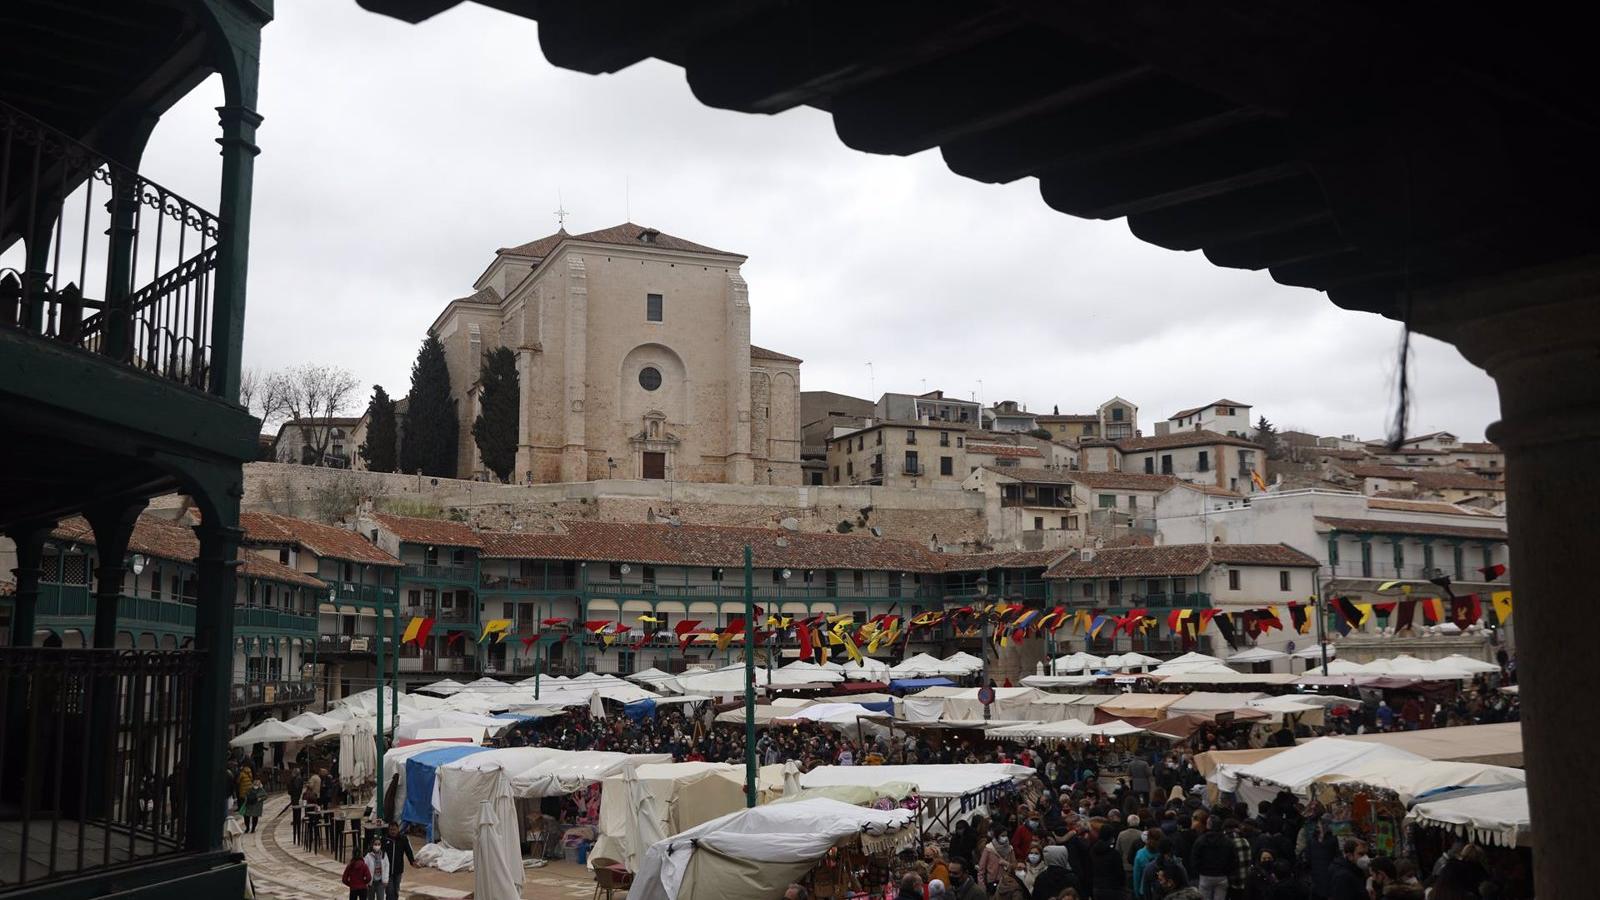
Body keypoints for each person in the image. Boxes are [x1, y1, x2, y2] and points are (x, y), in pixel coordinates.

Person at [1188, 819, 1233, 900]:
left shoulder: (1200, 840)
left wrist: (1199, 871)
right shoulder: (1228, 841)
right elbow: (1232, 859)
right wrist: (1227, 871)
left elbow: (1195, 858)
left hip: (1205, 875)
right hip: (1222, 875)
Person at [1091, 824, 1130, 900]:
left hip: (1097, 887)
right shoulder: (1114, 854)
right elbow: (1120, 873)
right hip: (1113, 888)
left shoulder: (1093, 851)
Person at [383, 821, 417, 900]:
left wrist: (412, 861)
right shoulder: (384, 839)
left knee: (396, 890)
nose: (393, 832)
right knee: (390, 891)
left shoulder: (403, 839)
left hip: (398, 870)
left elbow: (408, 851)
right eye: (391, 830)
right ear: (388, 830)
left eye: (394, 829)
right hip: (387, 871)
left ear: (398, 829)